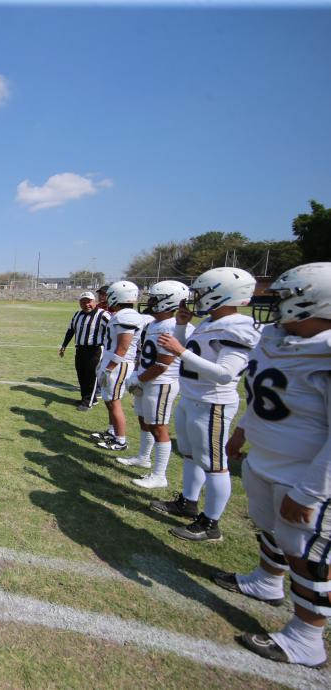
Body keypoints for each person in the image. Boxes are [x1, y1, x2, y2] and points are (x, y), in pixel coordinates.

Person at [215, 262, 331, 668]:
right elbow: (264, 397)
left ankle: (307, 637)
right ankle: (266, 581)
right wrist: (243, 430)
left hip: (306, 474)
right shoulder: (278, 340)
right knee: (271, 529)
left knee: (309, 554)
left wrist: (311, 492)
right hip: (267, 460)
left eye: (285, 297)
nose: (276, 306)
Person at [151, 267, 260, 542]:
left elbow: (225, 373)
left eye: (202, 293)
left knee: (214, 464)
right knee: (190, 455)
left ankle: (211, 524)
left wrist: (181, 350)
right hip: (193, 398)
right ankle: (188, 502)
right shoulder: (210, 322)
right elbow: (190, 352)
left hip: (212, 402)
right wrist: (180, 325)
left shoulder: (238, 326)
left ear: (221, 294)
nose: (197, 298)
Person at [117, 280, 192, 488]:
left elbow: (163, 364)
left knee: (159, 427)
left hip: (160, 383)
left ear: (168, 301)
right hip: (146, 379)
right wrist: (136, 372)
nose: (149, 302)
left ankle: (160, 475)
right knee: (144, 420)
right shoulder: (153, 323)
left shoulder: (173, 326)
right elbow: (145, 353)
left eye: (154, 298)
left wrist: (138, 378)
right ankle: (143, 457)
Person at [90, 281, 148, 451]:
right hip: (113, 362)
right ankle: (111, 431)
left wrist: (109, 367)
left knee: (114, 402)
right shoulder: (122, 314)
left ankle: (120, 440)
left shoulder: (127, 316)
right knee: (109, 400)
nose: (107, 298)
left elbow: (123, 346)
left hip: (119, 364)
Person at [59, 291, 111, 410]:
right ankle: (87, 398)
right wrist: (64, 345)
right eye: (83, 302)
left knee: (91, 375)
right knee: (81, 374)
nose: (86, 304)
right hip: (80, 349)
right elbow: (71, 330)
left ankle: (88, 402)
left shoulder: (103, 315)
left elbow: (113, 330)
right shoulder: (77, 315)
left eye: (89, 302)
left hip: (95, 349)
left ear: (94, 302)